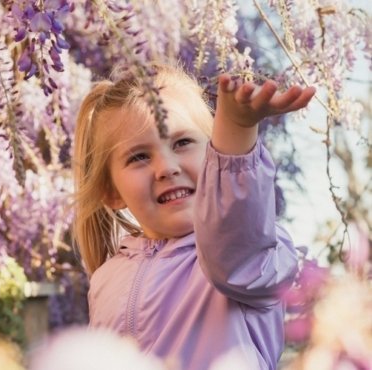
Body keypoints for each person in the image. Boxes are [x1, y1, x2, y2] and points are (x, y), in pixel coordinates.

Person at [72, 63, 316, 370]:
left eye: (182, 142)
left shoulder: (253, 256)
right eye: (139, 157)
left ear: (215, 155)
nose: (167, 167)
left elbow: (235, 247)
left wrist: (237, 134)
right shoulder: (106, 279)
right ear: (112, 192)